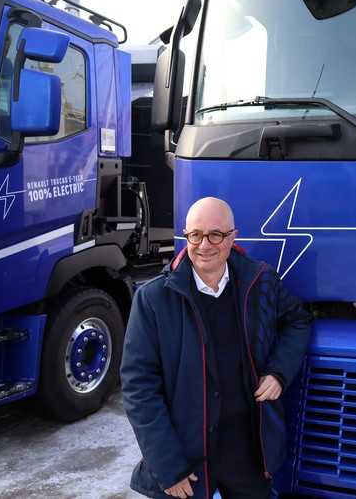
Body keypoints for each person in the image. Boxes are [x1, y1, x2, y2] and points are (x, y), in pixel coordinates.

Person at [121, 197, 312, 499]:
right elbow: (138, 387)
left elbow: (298, 322)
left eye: (215, 235)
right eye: (195, 235)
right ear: (186, 236)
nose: (204, 245)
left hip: (248, 455)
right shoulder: (153, 299)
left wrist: (279, 372)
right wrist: (168, 467)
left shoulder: (260, 282)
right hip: (187, 461)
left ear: (233, 236)